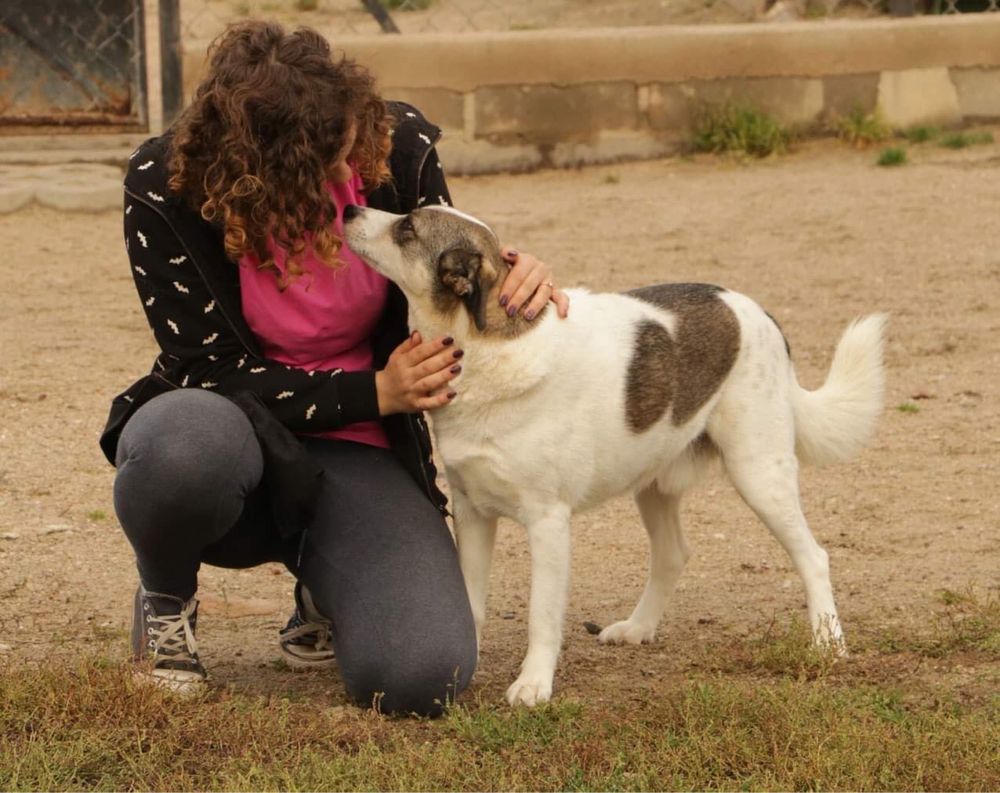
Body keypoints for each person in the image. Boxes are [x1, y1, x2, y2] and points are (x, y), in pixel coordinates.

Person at [100, 20, 568, 717]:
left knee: (421, 673)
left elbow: (446, 289)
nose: (352, 165)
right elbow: (209, 370)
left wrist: (515, 285)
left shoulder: (397, 149)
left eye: (353, 137)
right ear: (262, 169)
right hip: (230, 429)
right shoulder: (164, 184)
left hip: (361, 449)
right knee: (180, 450)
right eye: (327, 160)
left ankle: (325, 587)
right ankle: (167, 599)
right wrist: (373, 390)